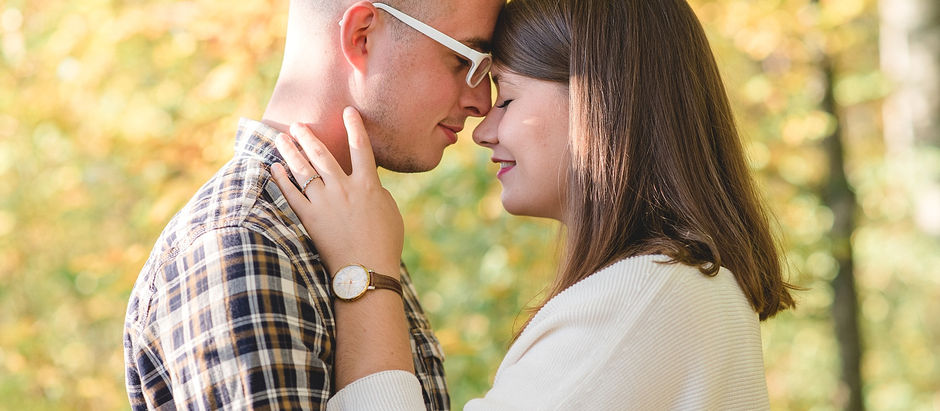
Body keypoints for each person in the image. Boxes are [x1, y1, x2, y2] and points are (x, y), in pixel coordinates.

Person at [271, 0, 799, 409]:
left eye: (506, 97)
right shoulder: (677, 289)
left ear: (598, 102)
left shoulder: (643, 298)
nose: (485, 127)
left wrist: (367, 277)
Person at [123, 1, 503, 409]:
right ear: (362, 36)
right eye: (464, 59)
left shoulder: (353, 228)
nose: (482, 101)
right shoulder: (244, 242)